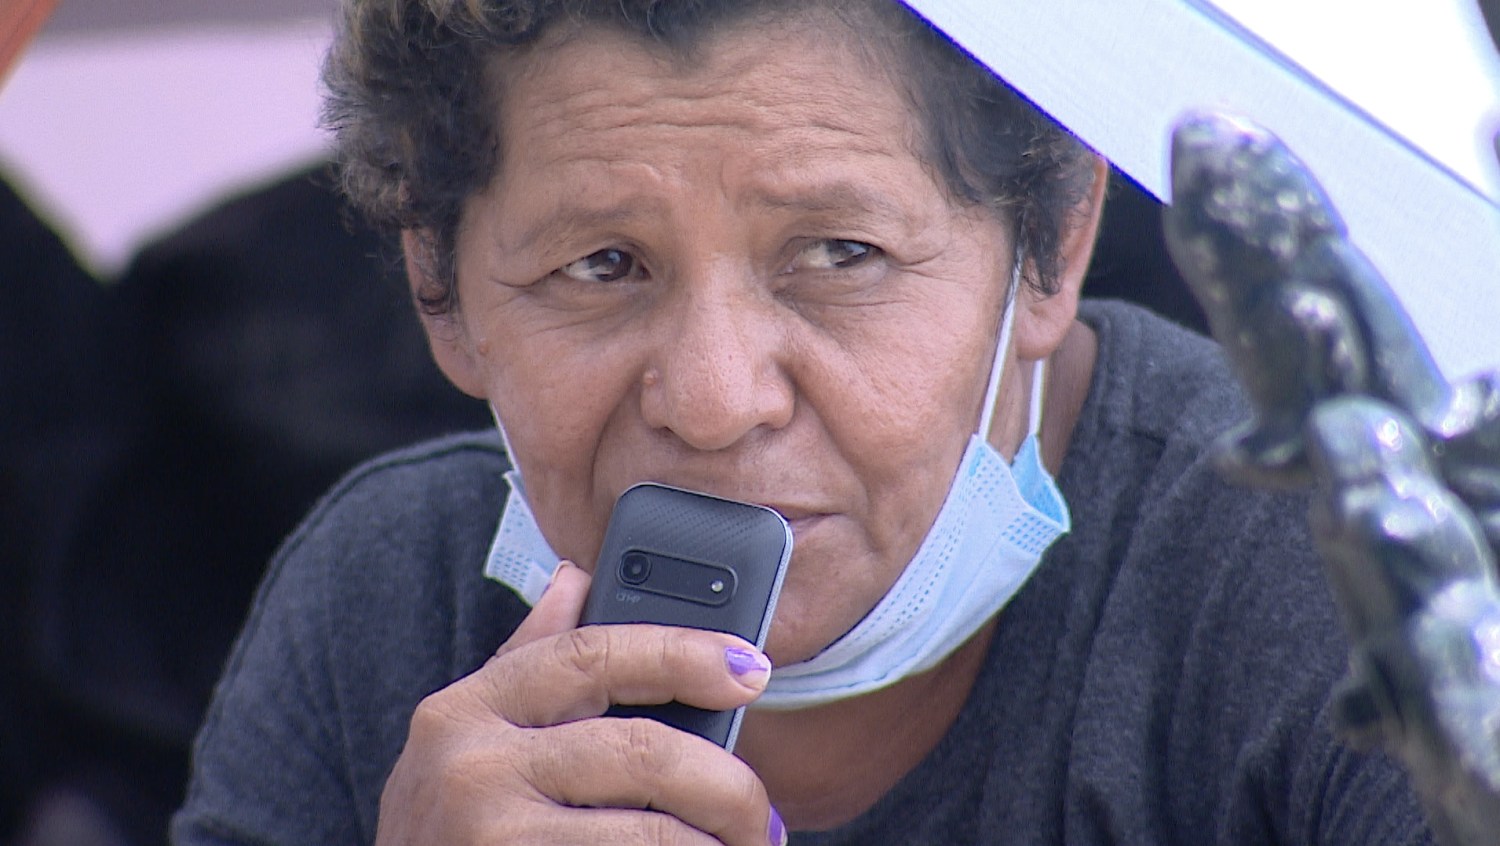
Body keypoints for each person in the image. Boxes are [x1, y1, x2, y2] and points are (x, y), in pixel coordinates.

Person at [172, 1, 1435, 843]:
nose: (718, 401)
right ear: (441, 293)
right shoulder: (382, 610)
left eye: (841, 252)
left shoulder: (1344, 585)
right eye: (602, 266)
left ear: (1050, 252)